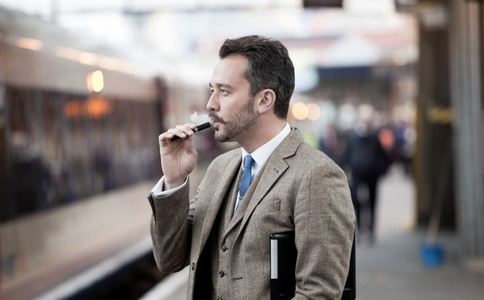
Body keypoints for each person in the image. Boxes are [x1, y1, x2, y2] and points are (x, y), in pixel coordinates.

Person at [148, 35, 355, 299]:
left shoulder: (318, 176)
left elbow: (319, 294)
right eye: (212, 90)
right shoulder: (219, 169)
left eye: (224, 91)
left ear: (264, 100)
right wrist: (174, 181)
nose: (211, 104)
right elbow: (169, 259)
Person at [343, 105, 389, 244]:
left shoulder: (375, 137)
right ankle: (359, 229)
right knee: (356, 200)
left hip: (373, 174)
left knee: (372, 201)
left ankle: (371, 231)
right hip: (356, 174)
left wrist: (381, 170)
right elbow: (346, 155)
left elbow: (382, 155)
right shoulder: (352, 137)